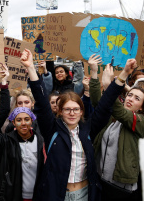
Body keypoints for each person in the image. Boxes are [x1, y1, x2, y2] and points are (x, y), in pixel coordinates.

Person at [21, 50, 115, 201]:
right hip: (57, 194)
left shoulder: (88, 129)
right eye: (67, 109)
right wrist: (31, 68)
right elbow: (42, 101)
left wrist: (119, 78)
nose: (72, 113)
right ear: (60, 111)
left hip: (85, 194)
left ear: (81, 111)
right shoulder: (52, 130)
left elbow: (105, 105)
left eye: (76, 109)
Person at [90, 59, 144, 201]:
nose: (130, 99)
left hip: (120, 187)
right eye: (129, 95)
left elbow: (120, 112)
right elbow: (99, 103)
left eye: (137, 98)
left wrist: (110, 85)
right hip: (100, 178)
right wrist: (93, 72)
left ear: (141, 107)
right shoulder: (113, 117)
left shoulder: (141, 121)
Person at [0, 105, 45, 201]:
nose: (23, 123)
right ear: (13, 123)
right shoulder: (6, 141)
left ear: (32, 121)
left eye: (26, 119)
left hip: (39, 195)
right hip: (14, 195)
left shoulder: (41, 141)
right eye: (19, 120)